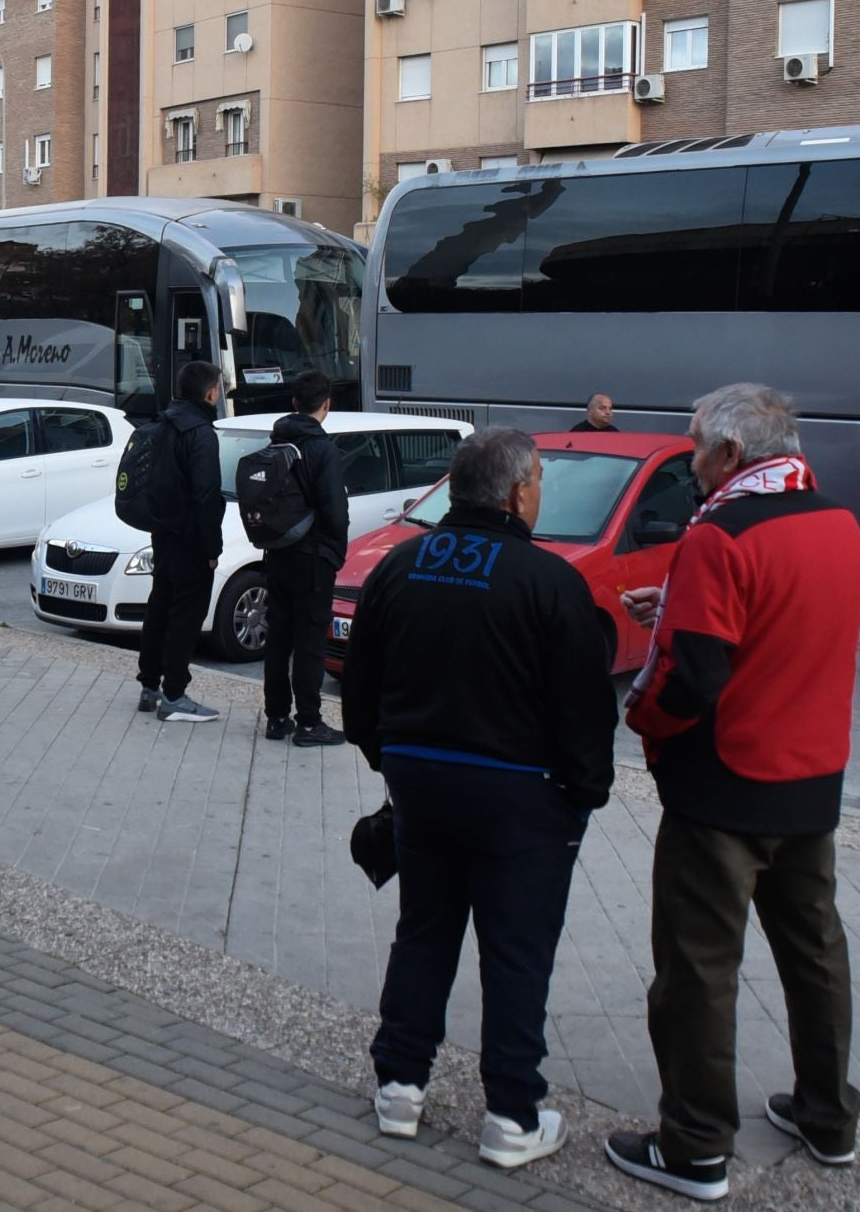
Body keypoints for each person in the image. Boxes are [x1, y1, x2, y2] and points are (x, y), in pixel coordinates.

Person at [605, 384, 860, 1203]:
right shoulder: (839, 523)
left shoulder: (719, 534)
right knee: (815, 952)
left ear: (727, 454)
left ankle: (693, 1146)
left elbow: (695, 676)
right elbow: (782, 625)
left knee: (697, 970)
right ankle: (828, 1117)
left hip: (724, 788)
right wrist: (679, 606)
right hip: (812, 779)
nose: (689, 461)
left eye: (693, 447)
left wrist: (639, 716)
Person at [340, 426, 616, 1169]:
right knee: (516, 951)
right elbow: (588, 710)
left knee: (425, 931)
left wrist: (387, 759)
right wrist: (583, 794)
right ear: (519, 491)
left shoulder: (400, 566)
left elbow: (357, 688)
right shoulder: (551, 580)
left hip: (422, 783)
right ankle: (512, 1116)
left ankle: (399, 1084)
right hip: (521, 797)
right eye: (539, 486)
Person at [259, 371, 350, 747]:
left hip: (277, 553)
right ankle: (309, 723)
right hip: (312, 559)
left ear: (294, 402)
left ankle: (277, 718)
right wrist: (335, 553)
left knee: (278, 636)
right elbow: (334, 508)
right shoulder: (321, 448)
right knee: (310, 640)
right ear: (326, 404)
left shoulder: (276, 440)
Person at [138, 361, 227, 723]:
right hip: (190, 539)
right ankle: (175, 695)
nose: (220, 395)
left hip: (163, 533)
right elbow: (207, 497)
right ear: (209, 393)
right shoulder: (201, 433)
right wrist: (212, 550)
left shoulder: (164, 422)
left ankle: (150, 687)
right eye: (219, 389)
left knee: (159, 607)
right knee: (186, 617)